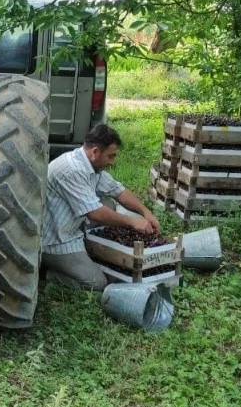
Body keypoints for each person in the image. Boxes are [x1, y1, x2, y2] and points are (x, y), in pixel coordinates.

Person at [41, 124, 162, 290]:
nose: (113, 162)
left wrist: (146, 213)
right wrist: (133, 222)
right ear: (95, 152)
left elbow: (118, 191)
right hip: (55, 241)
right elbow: (96, 213)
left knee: (109, 204)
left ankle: (84, 249)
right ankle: (44, 272)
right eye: (111, 156)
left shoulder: (91, 166)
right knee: (97, 282)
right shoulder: (72, 170)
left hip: (71, 228)